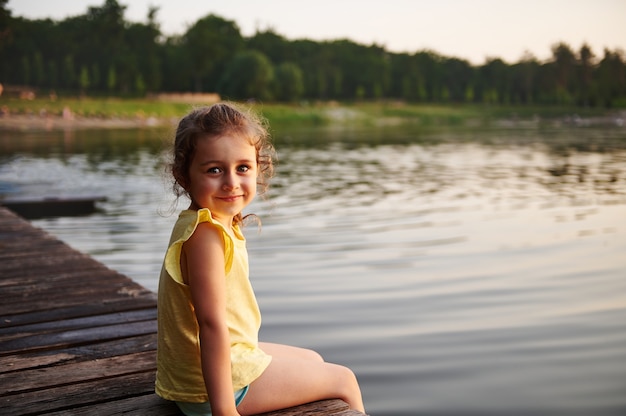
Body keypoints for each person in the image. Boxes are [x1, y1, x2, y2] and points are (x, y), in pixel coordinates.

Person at [155, 102, 365, 416]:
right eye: (214, 170)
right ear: (183, 175)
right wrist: (224, 410)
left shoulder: (201, 221)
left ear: (258, 168)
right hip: (210, 390)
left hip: (197, 374)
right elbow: (210, 325)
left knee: (313, 359)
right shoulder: (206, 237)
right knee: (344, 380)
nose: (231, 182)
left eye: (242, 168)